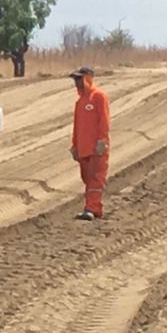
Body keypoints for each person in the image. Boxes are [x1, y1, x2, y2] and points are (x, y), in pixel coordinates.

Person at [69, 65, 110, 220]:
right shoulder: (80, 102)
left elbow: (104, 121)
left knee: (95, 179)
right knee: (87, 179)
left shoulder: (99, 96)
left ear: (88, 78)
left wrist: (102, 140)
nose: (77, 82)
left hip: (97, 148)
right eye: (75, 79)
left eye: (79, 79)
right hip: (83, 148)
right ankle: (95, 208)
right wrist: (74, 146)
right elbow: (77, 125)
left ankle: (91, 208)